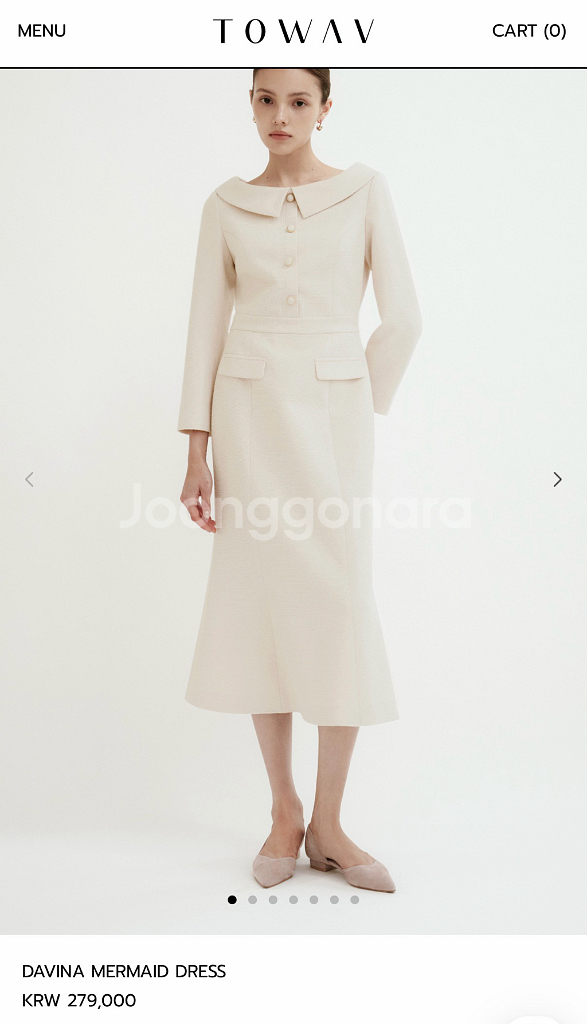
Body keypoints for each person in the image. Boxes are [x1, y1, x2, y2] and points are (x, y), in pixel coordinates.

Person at [177, 68, 423, 892]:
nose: (279, 116)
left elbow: (404, 318)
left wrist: (355, 390)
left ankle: (330, 823)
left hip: (332, 421)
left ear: (324, 109)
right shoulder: (224, 205)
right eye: (264, 99)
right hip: (246, 416)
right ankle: (284, 812)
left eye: (297, 101)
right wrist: (195, 450)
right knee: (263, 605)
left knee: (339, 603)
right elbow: (203, 328)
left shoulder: (363, 191)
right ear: (249, 105)